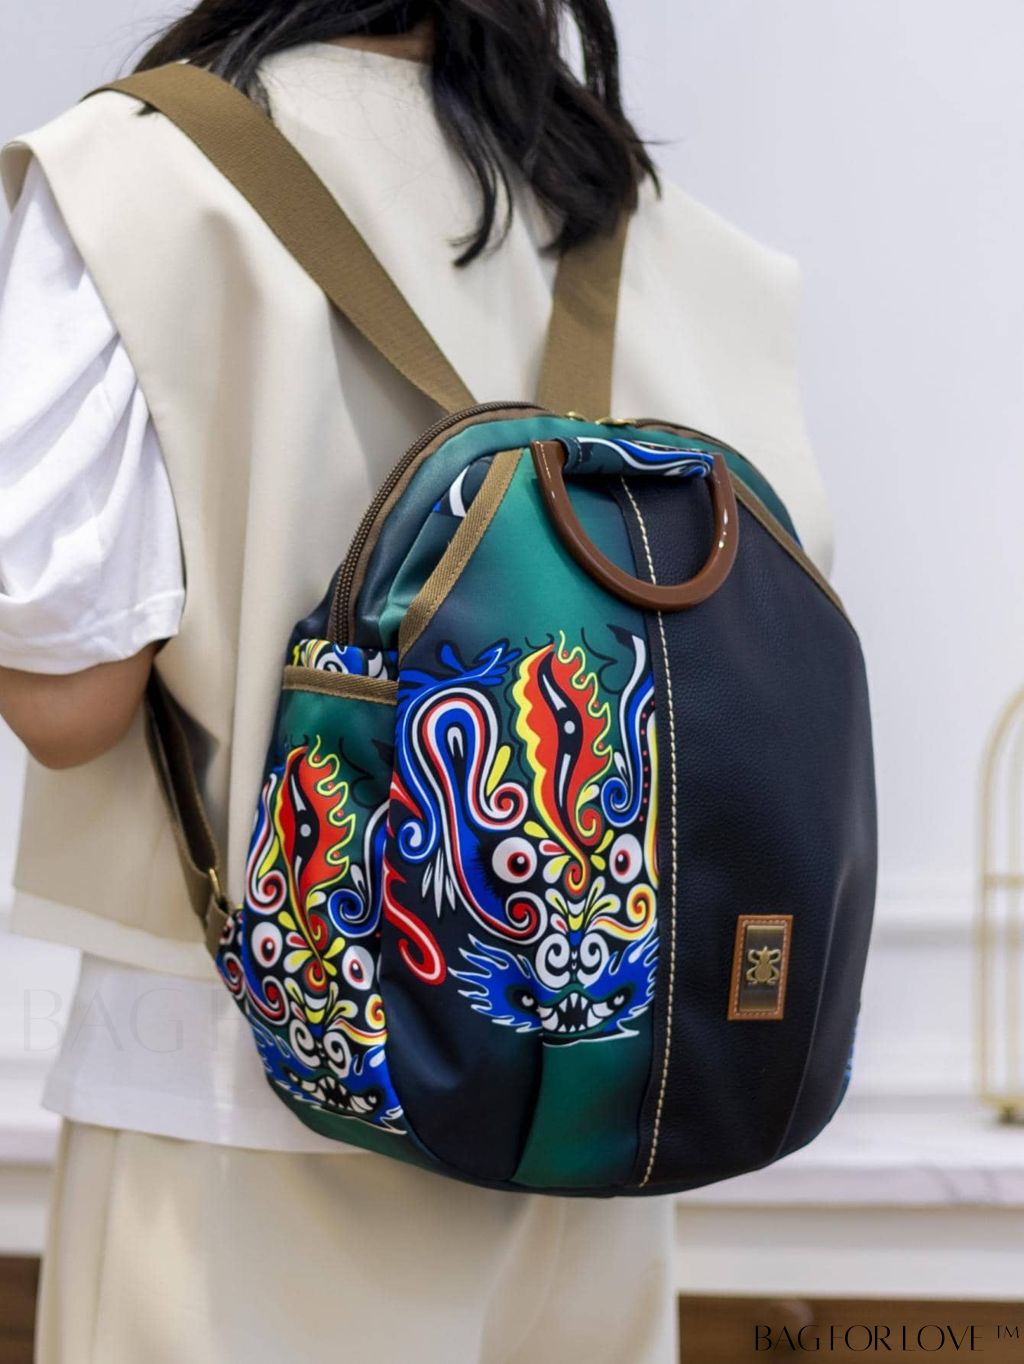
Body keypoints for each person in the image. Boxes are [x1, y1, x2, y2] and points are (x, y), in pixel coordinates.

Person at [0, 3, 835, 1360]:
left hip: (243, 1107)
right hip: (604, 1104)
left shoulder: (141, 178)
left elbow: (67, 699)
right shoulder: (655, 224)